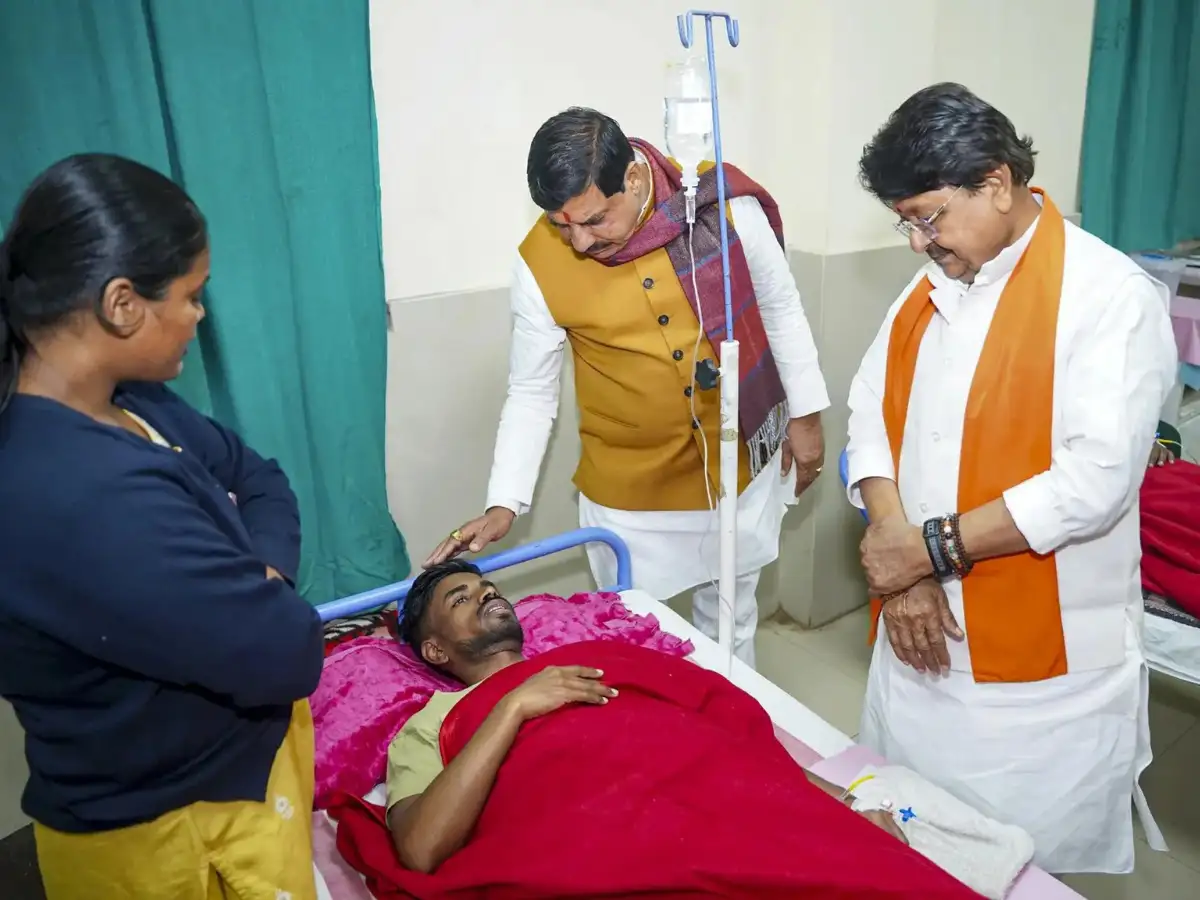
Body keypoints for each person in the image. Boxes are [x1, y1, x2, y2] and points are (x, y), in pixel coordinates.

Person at [844, 83, 1178, 875]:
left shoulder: (1108, 298)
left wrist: (926, 550)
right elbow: (869, 415)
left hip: (1037, 680)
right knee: (904, 842)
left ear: (996, 184)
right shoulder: (929, 289)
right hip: (916, 637)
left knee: (1016, 865)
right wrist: (901, 557)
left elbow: (1092, 482)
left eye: (928, 217)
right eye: (905, 222)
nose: (917, 242)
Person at [0, 154, 326, 899]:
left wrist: (258, 577)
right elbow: (288, 650)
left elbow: (260, 478)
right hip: (169, 830)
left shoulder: (131, 402)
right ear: (122, 304)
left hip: (236, 775)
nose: (199, 316)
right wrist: (261, 597)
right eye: (191, 295)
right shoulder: (76, 493)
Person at [327, 559, 994, 900]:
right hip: (605, 848)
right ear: (435, 650)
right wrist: (513, 708)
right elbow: (420, 847)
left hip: (726, 813)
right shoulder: (432, 724)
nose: (487, 594)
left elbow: (729, 745)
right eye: (461, 598)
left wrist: (842, 808)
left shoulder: (600, 658)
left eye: (485, 586)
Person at [426, 108, 830, 668]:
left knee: (731, 628)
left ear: (635, 179)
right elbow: (532, 391)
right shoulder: (539, 265)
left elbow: (779, 308)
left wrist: (805, 418)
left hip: (736, 469)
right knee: (633, 645)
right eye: (562, 225)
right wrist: (505, 501)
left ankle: (733, 717)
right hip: (630, 501)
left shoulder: (721, 209)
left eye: (594, 220)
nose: (579, 242)